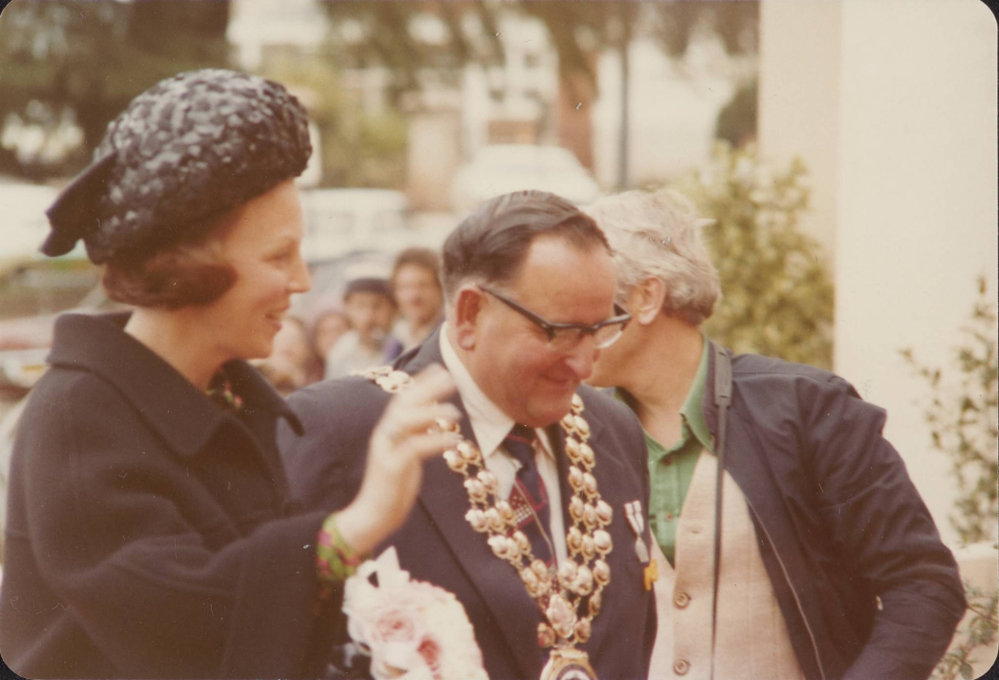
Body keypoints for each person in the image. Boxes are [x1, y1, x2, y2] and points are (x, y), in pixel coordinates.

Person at [0, 69, 461, 680]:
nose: (302, 281)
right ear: (187, 264)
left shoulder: (224, 396)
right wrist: (353, 526)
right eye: (279, 255)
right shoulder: (78, 415)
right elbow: (179, 627)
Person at [582, 188, 966, 680]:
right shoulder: (576, 431)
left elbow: (923, 585)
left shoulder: (809, 408)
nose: (567, 323)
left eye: (586, 296)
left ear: (646, 297)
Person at [281, 190, 658, 680]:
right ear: (470, 315)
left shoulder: (614, 431)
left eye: (599, 329)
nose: (586, 363)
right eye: (560, 332)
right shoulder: (337, 431)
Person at [323, 275, 396, 379]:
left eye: (377, 305)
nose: (369, 315)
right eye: (361, 306)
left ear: (393, 308)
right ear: (348, 309)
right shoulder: (340, 352)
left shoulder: (404, 344)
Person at [382, 246, 445, 361]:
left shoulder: (447, 337)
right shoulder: (397, 338)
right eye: (405, 287)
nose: (414, 296)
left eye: (423, 286)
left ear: (439, 289)